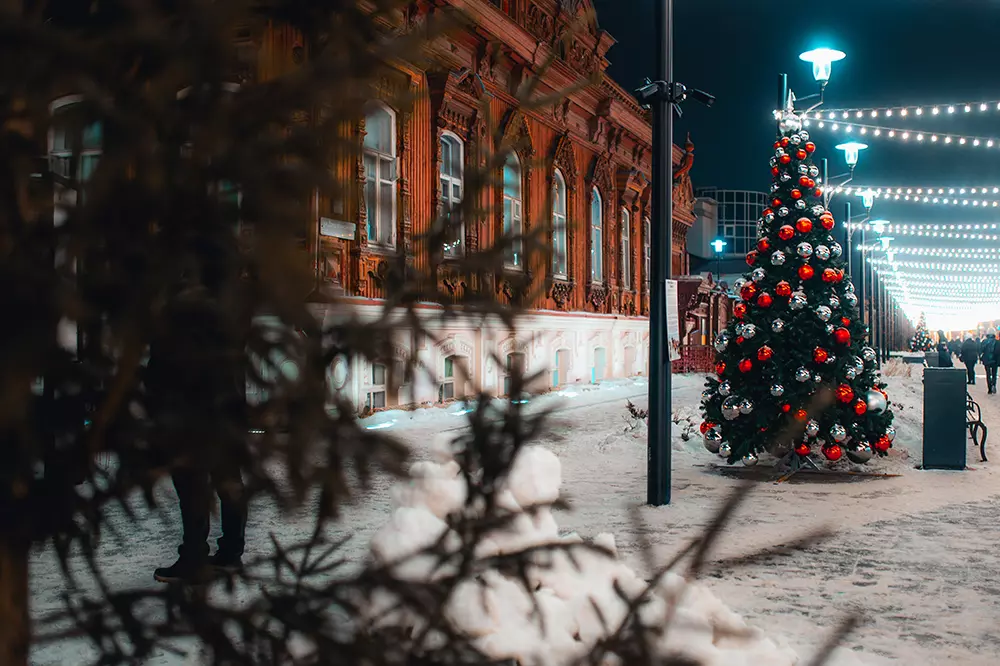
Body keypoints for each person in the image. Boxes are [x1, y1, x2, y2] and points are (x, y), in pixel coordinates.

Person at [147, 281, 249, 584]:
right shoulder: (228, 305)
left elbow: (165, 368)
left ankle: (194, 557)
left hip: (192, 413)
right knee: (227, 480)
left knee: (192, 485)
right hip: (226, 407)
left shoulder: (179, 313)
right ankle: (230, 553)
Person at [981, 328, 999, 395]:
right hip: (994, 360)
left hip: (986, 360)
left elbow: (981, 350)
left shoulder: (984, 341)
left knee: (988, 374)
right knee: (994, 374)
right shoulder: (997, 342)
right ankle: (993, 384)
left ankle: (989, 388)